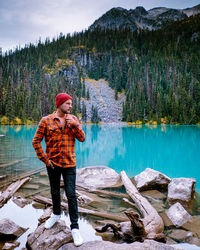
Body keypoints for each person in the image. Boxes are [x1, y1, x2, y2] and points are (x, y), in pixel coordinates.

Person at [32, 93, 85, 247]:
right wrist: (45, 159)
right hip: (53, 164)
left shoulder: (73, 119)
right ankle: (56, 214)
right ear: (60, 104)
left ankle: (75, 228)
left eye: (71, 103)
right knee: (55, 191)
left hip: (69, 163)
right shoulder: (46, 121)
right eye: (68, 103)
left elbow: (82, 138)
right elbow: (36, 141)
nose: (70, 106)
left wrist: (73, 125)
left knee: (71, 194)